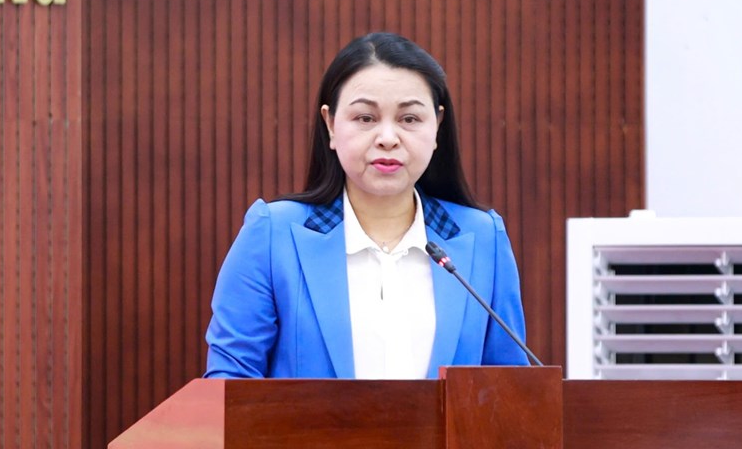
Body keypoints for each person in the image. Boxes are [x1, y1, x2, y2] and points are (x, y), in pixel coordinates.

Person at [204, 32, 529, 379]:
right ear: (330, 124)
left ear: (437, 126)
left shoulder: (483, 239)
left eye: (409, 119)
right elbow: (228, 384)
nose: (387, 138)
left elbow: (510, 389)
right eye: (365, 118)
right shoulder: (273, 234)